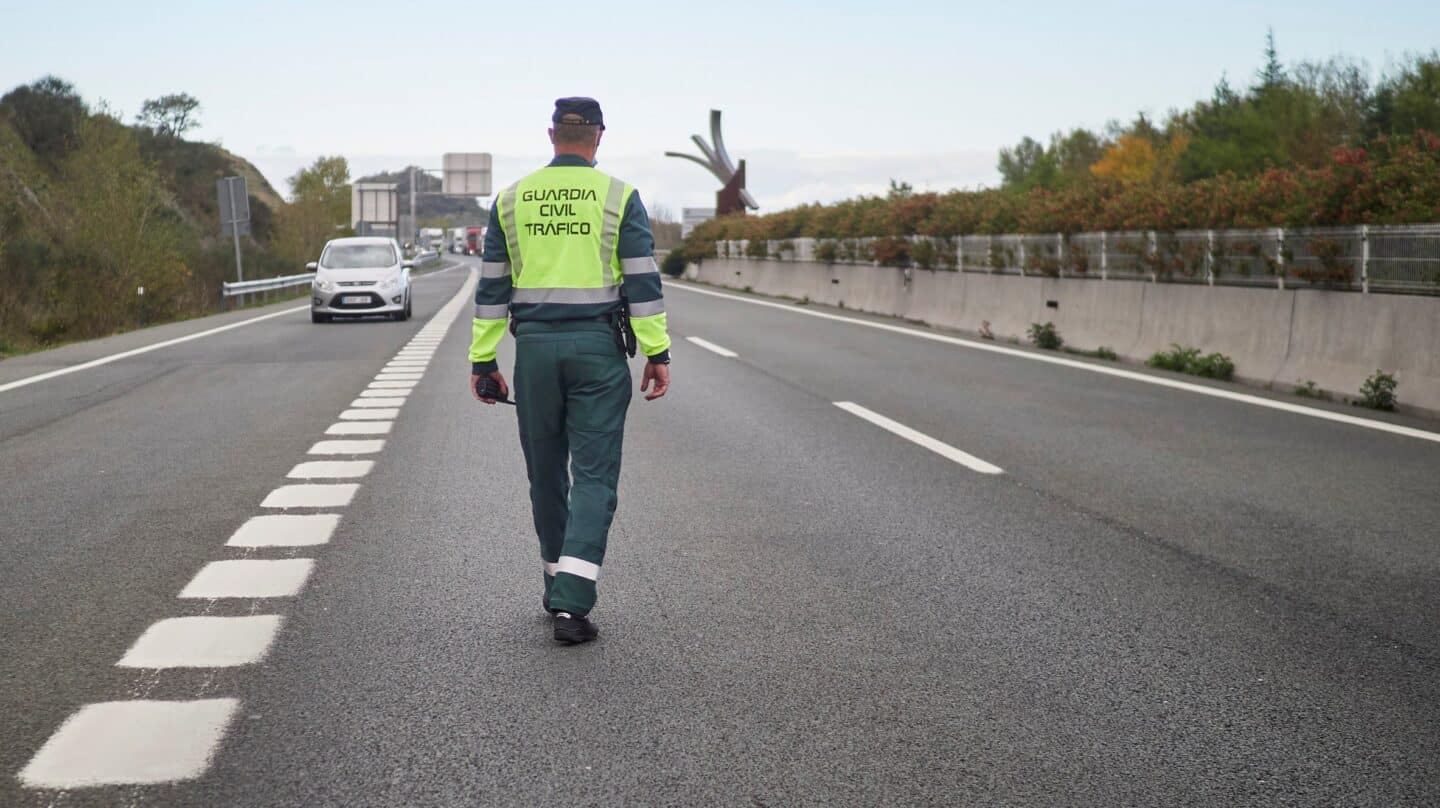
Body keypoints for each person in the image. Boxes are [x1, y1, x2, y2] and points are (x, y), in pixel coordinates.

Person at [469, 97, 671, 645]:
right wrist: (657, 352)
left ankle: (556, 580)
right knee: (595, 475)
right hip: (597, 350)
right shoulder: (619, 197)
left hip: (533, 350)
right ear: (599, 137)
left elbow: (491, 288)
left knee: (546, 472)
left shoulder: (511, 200)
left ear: (551, 135)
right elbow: (643, 283)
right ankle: (571, 605)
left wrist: (483, 359)